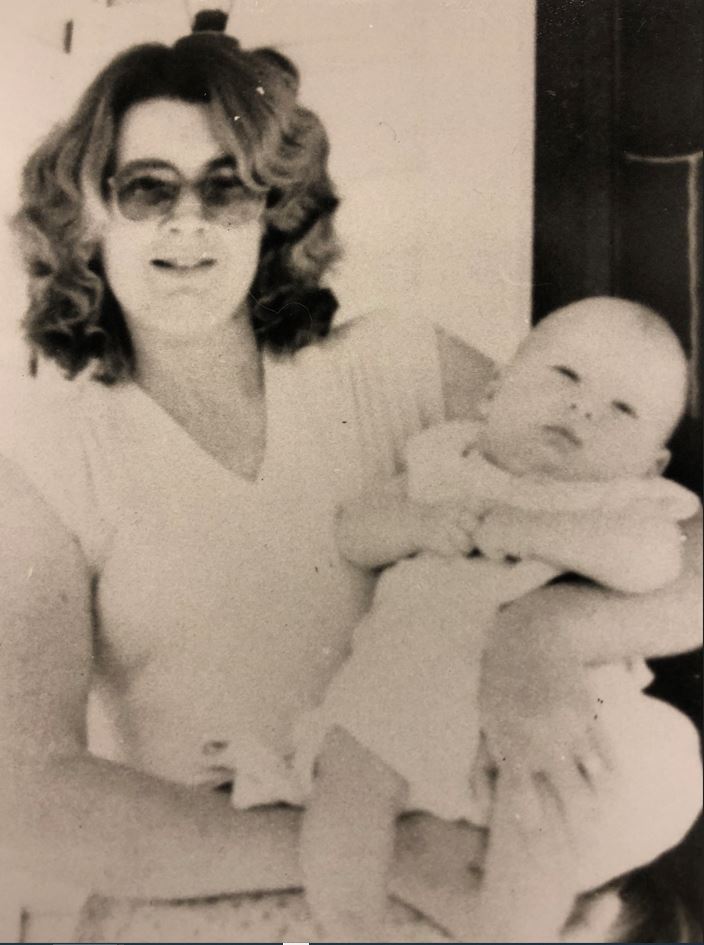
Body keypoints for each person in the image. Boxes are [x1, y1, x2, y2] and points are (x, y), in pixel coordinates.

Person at [0, 23, 700, 943]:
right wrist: (381, 850)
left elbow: (670, 544)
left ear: (275, 209)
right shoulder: (47, 455)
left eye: (228, 189)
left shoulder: (400, 365)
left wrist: (547, 634)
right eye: (148, 189)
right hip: (220, 905)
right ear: (87, 213)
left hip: (470, 878)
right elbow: (28, 797)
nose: (190, 222)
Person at [295, 298, 702, 942]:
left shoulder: (623, 501)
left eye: (623, 411)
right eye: (566, 376)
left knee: (540, 820)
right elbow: (354, 532)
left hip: (541, 711)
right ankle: (342, 928)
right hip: (405, 678)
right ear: (492, 393)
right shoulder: (442, 461)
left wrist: (528, 528)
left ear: (650, 465)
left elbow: (654, 563)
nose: (583, 409)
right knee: (349, 788)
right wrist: (420, 525)